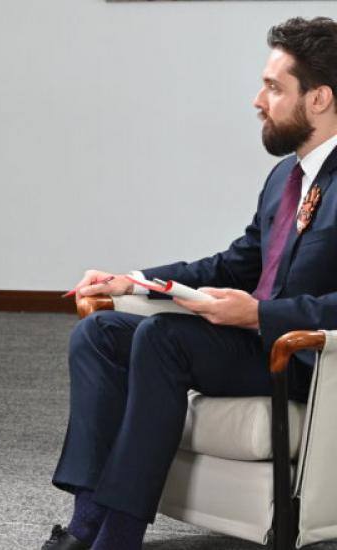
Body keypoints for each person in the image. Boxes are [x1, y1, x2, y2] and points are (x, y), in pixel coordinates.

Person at [42, 16, 337, 550]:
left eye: (274, 88)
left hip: (305, 360)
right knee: (99, 333)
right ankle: (86, 524)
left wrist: (259, 315)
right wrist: (134, 282)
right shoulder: (284, 178)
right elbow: (234, 264)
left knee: (163, 339)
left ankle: (118, 537)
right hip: (253, 343)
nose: (258, 101)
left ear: (319, 99)